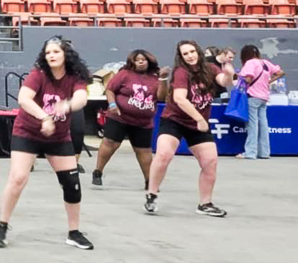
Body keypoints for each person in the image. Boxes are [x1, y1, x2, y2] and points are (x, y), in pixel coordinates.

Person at [0, 37, 92, 250]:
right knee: (18, 178)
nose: (51, 56)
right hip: (27, 132)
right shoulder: (38, 74)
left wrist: (66, 106)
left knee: (72, 185)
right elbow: (24, 99)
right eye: (48, 53)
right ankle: (3, 224)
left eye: (56, 51)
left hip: (58, 137)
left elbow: (82, 99)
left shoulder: (75, 77)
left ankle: (74, 232)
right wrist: (45, 117)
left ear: (66, 54)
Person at [145, 40, 235, 217]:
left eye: (192, 51)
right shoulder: (181, 72)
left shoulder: (210, 68)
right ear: (181, 57)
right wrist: (200, 119)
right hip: (175, 120)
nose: (190, 56)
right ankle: (152, 194)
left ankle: (205, 203)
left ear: (198, 52)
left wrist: (229, 74)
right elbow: (180, 99)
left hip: (198, 124)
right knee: (164, 154)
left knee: (210, 162)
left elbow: (223, 81)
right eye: (185, 54)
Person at [92, 50, 166, 188]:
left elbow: (161, 97)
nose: (141, 62)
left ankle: (149, 181)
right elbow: (110, 89)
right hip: (119, 117)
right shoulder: (124, 74)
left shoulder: (156, 78)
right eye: (137, 59)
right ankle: (98, 171)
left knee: (143, 151)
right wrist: (112, 104)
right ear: (132, 62)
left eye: (143, 59)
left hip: (143, 122)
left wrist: (163, 79)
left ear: (149, 61)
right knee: (110, 144)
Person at [237, 45, 284, 160]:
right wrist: (269, 81)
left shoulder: (250, 63)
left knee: (252, 125)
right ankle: (264, 152)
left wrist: (237, 76)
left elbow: (248, 79)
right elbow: (281, 72)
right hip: (264, 97)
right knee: (263, 125)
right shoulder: (265, 63)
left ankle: (250, 152)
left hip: (253, 96)